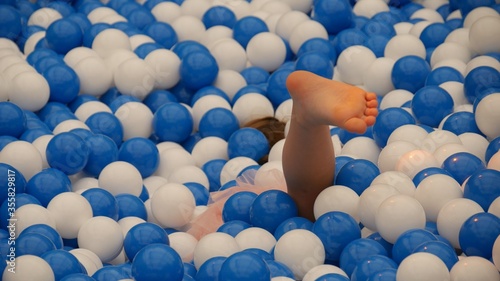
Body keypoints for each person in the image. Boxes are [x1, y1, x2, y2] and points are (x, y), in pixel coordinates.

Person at [187, 70, 379, 238]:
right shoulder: (337, 147)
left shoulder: (252, 191)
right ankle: (307, 121)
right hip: (362, 198)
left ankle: (306, 120)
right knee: (315, 203)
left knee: (303, 205)